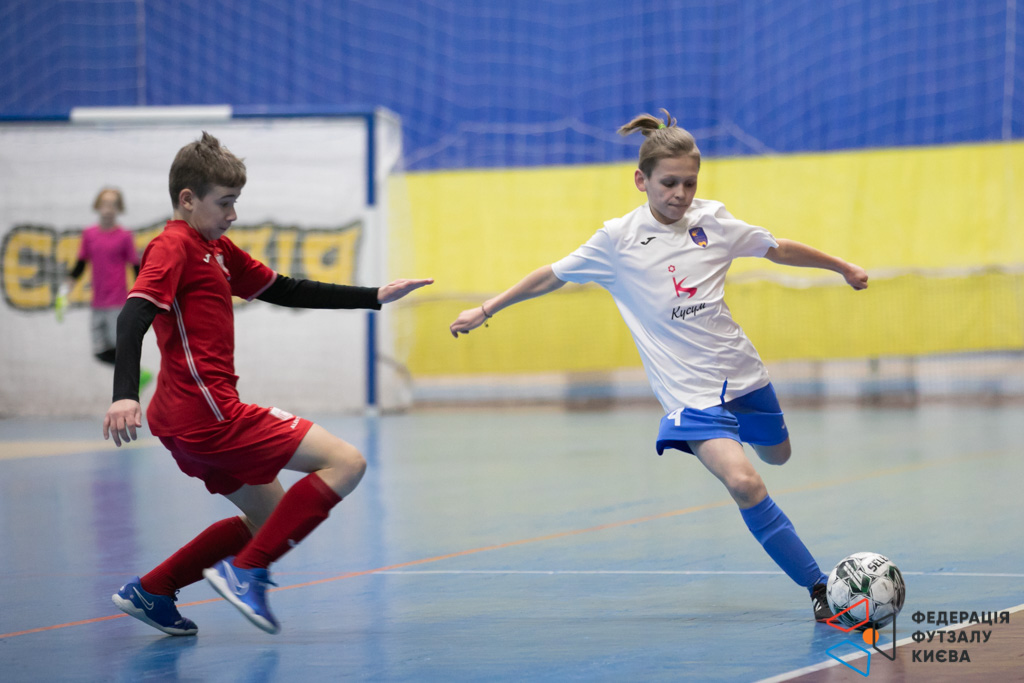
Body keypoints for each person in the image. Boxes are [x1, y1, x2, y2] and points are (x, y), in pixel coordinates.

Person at [449, 110, 868, 622]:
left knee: (777, 457)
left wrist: (841, 266)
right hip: (689, 396)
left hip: (743, 375)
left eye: (690, 183)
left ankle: (739, 437)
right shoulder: (616, 240)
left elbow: (775, 248)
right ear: (641, 180)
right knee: (746, 483)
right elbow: (551, 275)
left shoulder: (713, 221)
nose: (681, 194)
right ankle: (820, 588)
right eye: (669, 183)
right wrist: (487, 308)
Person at [105, 132, 432, 636]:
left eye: (236, 202)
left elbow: (284, 288)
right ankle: (246, 573)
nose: (233, 214)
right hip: (208, 413)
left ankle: (152, 590)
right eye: (224, 202)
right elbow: (133, 315)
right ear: (187, 199)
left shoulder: (215, 249)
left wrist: (373, 296)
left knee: (272, 521)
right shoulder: (173, 246)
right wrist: (123, 393)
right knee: (346, 462)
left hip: (184, 419)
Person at [57, 187, 153, 391]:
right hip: (97, 303)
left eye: (113, 205)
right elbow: (80, 265)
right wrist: (65, 290)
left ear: (119, 208)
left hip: (117, 302)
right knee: (100, 351)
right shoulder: (89, 235)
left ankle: (130, 387)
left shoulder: (124, 236)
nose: (109, 209)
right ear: (98, 206)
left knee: (121, 348)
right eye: (105, 204)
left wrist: (144, 301)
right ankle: (139, 374)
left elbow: (136, 269)